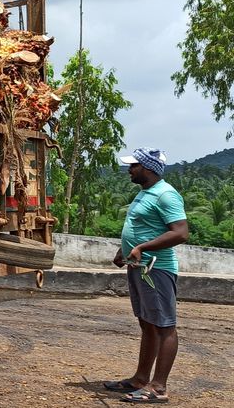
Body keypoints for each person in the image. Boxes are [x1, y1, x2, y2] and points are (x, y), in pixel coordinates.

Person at [104, 148, 189, 404]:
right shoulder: (145, 193)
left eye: (134, 166)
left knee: (164, 327)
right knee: (147, 323)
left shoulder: (166, 195)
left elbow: (181, 233)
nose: (129, 169)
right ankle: (141, 379)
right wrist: (125, 250)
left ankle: (159, 388)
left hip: (157, 269)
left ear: (149, 168)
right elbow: (140, 227)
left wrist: (142, 248)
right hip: (139, 268)